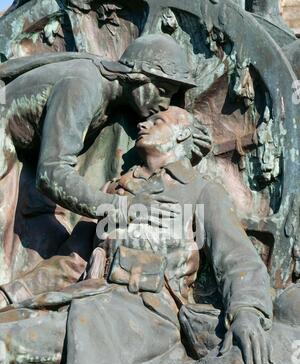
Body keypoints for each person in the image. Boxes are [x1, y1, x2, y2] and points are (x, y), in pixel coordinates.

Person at [0, 106, 273, 364]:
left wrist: (248, 310)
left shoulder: (201, 192)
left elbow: (236, 259)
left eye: (158, 121)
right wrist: (10, 294)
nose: (144, 123)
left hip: (146, 319)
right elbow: (72, 262)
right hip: (87, 305)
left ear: (182, 135)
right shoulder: (115, 191)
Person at [0, 34, 196, 282]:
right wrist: (120, 207)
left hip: (20, 156)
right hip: (7, 150)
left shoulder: (102, 86)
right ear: (137, 76)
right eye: (161, 91)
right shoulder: (84, 86)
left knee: (43, 244)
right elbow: (52, 173)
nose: (164, 103)